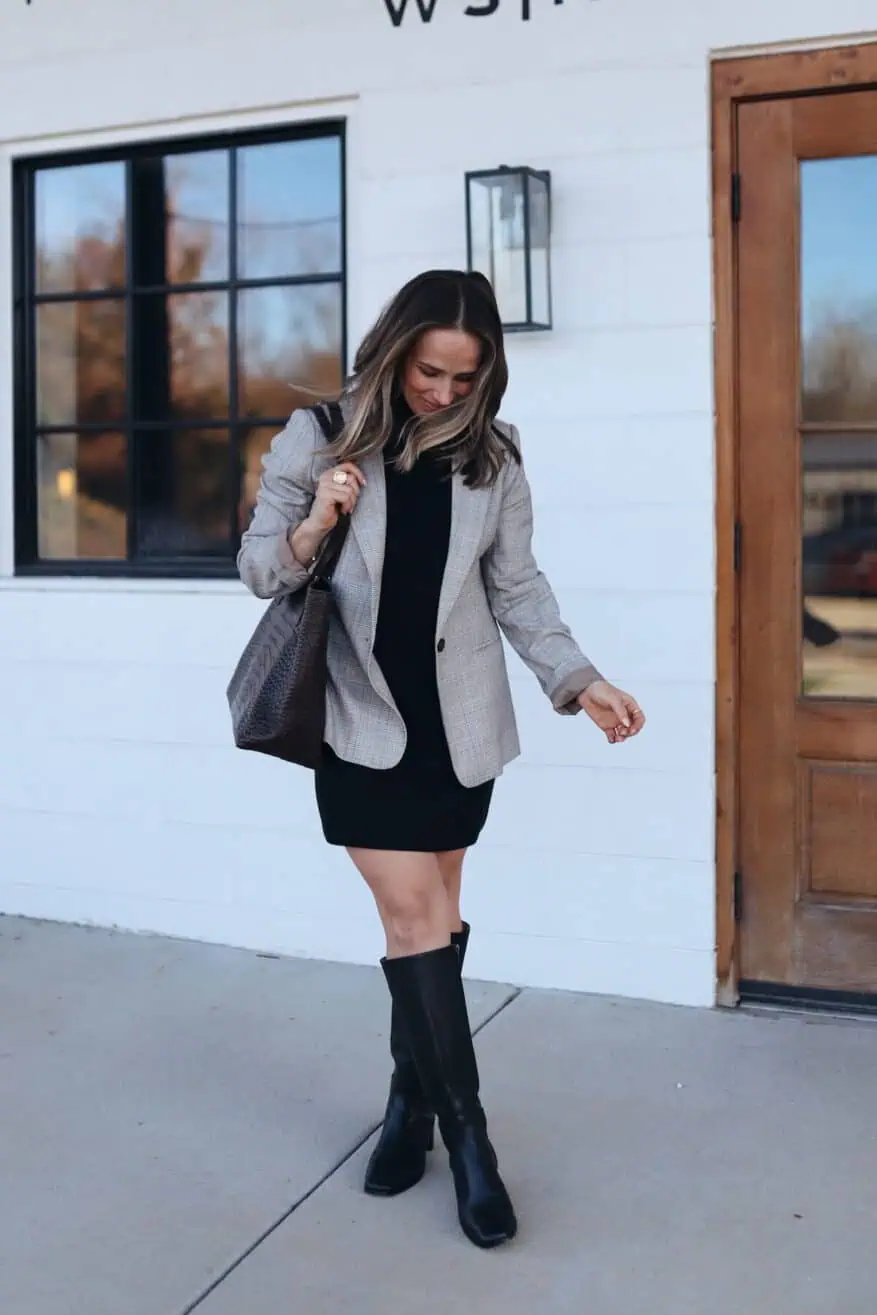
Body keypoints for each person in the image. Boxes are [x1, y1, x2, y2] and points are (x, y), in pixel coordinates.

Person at [237, 269, 645, 1250]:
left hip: (457, 729)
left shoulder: (492, 457)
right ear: (395, 352)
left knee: (440, 921)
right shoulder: (322, 433)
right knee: (414, 917)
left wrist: (575, 677)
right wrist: (319, 516)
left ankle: (405, 1108)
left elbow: (518, 589)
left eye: (466, 379)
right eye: (430, 372)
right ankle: (471, 1143)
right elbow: (259, 568)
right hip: (357, 724)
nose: (444, 394)